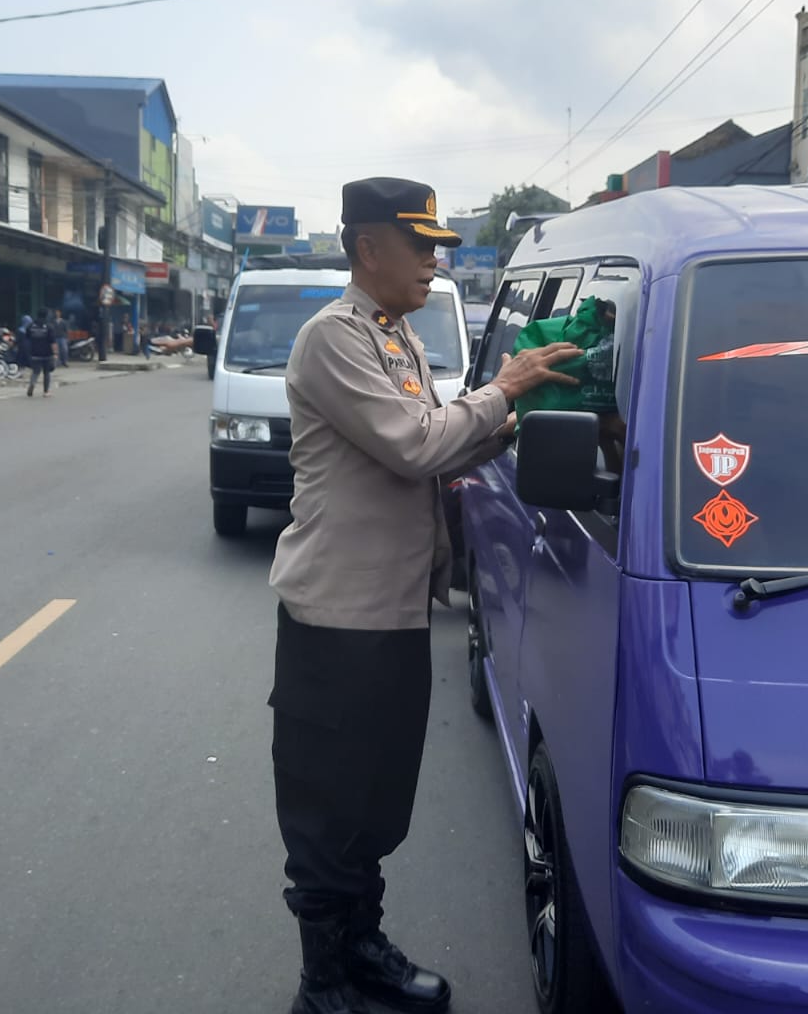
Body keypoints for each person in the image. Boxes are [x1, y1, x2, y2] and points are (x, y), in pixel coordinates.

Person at [268, 176, 580, 1014]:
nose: (436, 258)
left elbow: (439, 451)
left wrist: (517, 421)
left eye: (439, 244)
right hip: (339, 620)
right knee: (332, 805)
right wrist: (503, 390)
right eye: (422, 244)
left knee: (375, 801)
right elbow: (413, 445)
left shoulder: (393, 335)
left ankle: (361, 945)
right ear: (369, 248)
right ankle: (324, 980)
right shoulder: (331, 338)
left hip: (394, 610)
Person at [22, 309, 56, 397]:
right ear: (46, 315)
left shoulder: (31, 326)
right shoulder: (48, 326)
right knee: (46, 373)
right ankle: (46, 391)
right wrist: (55, 354)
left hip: (34, 353)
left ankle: (32, 384)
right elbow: (53, 342)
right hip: (47, 353)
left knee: (35, 372)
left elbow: (27, 338)